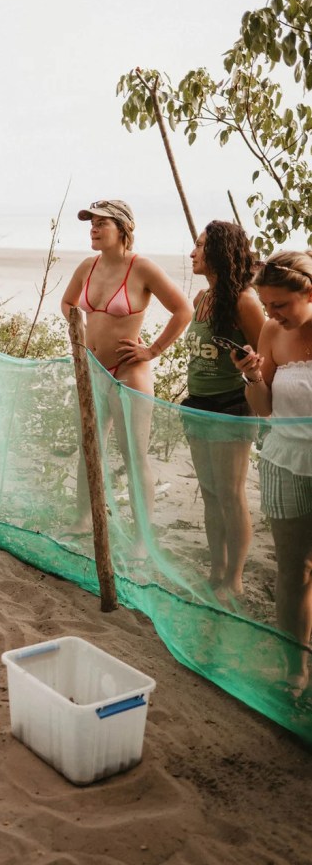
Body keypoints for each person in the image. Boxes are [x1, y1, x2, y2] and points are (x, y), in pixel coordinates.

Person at [60, 199, 192, 549]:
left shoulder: (142, 267)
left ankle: (141, 538)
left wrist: (153, 350)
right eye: (91, 222)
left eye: (102, 222)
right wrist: (79, 337)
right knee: (90, 445)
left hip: (128, 372)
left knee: (134, 455)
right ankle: (83, 519)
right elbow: (68, 303)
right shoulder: (87, 266)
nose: (94, 227)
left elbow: (183, 309)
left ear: (123, 229)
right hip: (92, 369)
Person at [233, 250, 312, 696]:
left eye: (280, 305)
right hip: (285, 462)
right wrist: (251, 378)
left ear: (309, 293)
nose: (271, 314)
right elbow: (264, 411)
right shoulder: (269, 331)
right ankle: (294, 669)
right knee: (293, 569)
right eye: (266, 305)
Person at [181, 221, 265, 604]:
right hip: (197, 405)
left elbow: (268, 355)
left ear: (217, 253)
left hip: (232, 407)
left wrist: (251, 368)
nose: (192, 253)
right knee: (211, 493)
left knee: (231, 494)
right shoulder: (201, 298)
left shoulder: (245, 301)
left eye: (199, 247)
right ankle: (216, 571)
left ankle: (235, 579)